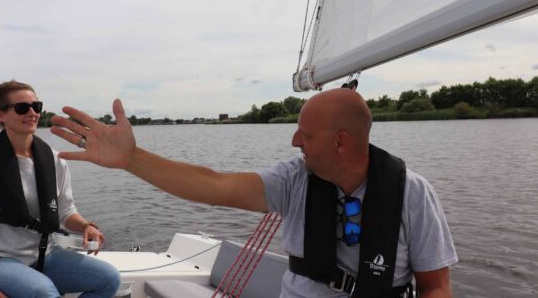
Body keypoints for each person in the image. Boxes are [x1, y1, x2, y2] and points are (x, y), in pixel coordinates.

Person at [50, 88, 458, 297]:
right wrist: (132, 159)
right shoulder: (295, 179)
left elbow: (436, 285)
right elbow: (215, 186)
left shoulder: (412, 194)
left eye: (305, 134)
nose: (294, 141)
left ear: (341, 142)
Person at [0, 80, 121, 298]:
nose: (32, 113)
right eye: (22, 108)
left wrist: (85, 226)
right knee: (43, 292)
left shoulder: (55, 160)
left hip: (44, 255)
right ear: (0, 115)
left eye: (36, 106)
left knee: (109, 279)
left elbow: (65, 211)